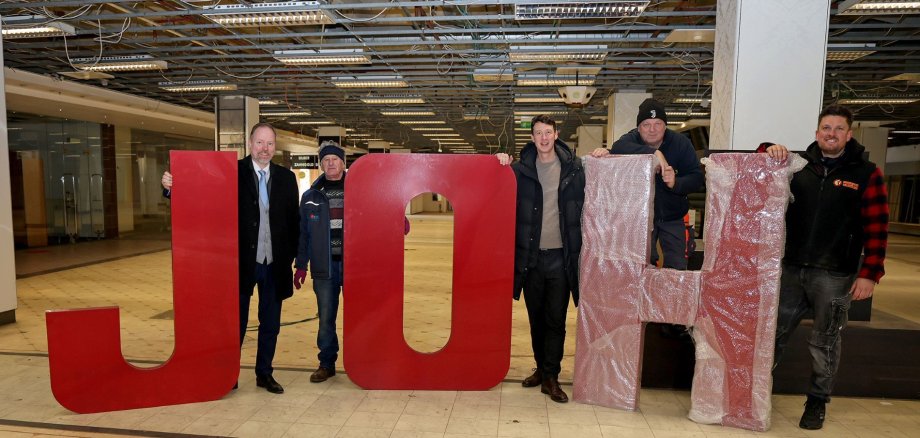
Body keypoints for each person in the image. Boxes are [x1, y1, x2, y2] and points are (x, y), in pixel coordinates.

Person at [760, 105, 889, 430]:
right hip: (790, 270)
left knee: (825, 342)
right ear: (817, 132)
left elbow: (877, 228)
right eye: (826, 128)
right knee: (771, 336)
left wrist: (869, 273)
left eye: (838, 129)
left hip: (834, 274)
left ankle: (817, 403)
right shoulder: (799, 165)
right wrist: (766, 148)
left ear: (849, 133)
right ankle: (755, 395)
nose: (831, 134)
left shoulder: (866, 173)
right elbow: (758, 166)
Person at [162, 122, 300, 394]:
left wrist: (292, 257)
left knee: (270, 324)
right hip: (240, 264)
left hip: (275, 264)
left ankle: (264, 373)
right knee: (234, 324)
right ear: (250, 144)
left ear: (275, 147)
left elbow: (293, 222)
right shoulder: (233, 172)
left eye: (270, 143)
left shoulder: (286, 178)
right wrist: (171, 187)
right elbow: (203, 195)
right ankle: (229, 373)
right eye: (260, 142)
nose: (265, 148)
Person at [496, 114, 584, 403]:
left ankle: (551, 377)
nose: (544, 138)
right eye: (538, 133)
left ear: (556, 134)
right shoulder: (520, 170)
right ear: (532, 137)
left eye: (548, 132)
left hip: (561, 257)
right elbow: (496, 188)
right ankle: (540, 369)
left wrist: (604, 153)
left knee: (556, 320)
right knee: (536, 320)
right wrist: (499, 162)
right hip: (531, 258)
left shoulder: (574, 168)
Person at [590, 98, 703, 270]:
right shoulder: (631, 140)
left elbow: (697, 178)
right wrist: (655, 154)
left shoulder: (681, 143)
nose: (652, 130)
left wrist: (676, 183)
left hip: (672, 217)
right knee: (640, 267)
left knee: (677, 267)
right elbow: (618, 147)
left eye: (658, 123)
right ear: (638, 127)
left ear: (665, 125)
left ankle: (669, 297)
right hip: (640, 219)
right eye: (646, 124)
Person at [293, 140, 347, 383]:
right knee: (326, 317)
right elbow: (303, 233)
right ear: (321, 164)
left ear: (343, 163)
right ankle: (327, 363)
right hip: (324, 268)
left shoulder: (359, 188)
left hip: (354, 266)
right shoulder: (311, 196)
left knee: (360, 315)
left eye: (334, 159)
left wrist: (398, 220)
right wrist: (301, 265)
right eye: (326, 160)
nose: (330, 163)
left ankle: (365, 360)